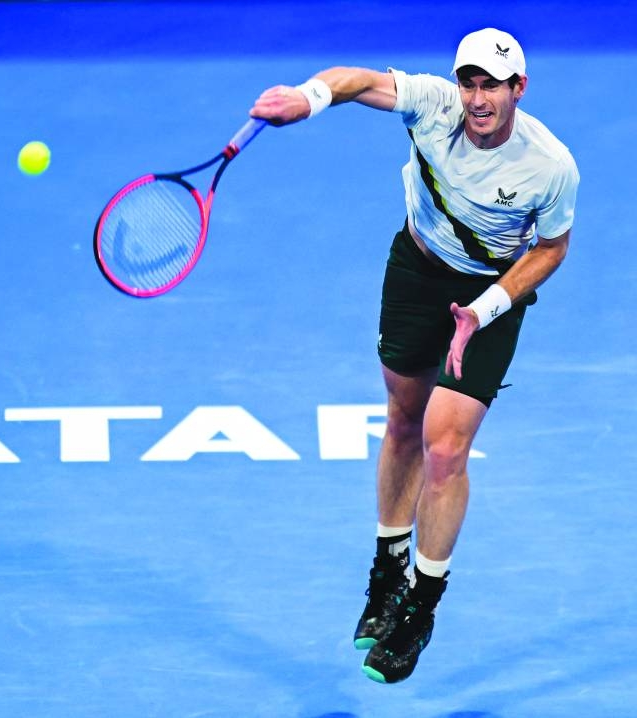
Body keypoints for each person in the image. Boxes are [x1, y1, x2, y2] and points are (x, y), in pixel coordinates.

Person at [249, 28, 580, 683]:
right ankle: (386, 567)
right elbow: (356, 78)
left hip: (488, 300)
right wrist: (307, 100)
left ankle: (421, 605)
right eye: (471, 82)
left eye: (493, 84)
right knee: (403, 420)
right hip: (414, 274)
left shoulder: (551, 165)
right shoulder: (435, 105)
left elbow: (551, 248)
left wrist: (484, 310)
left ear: (520, 88)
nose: (479, 98)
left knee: (447, 446)